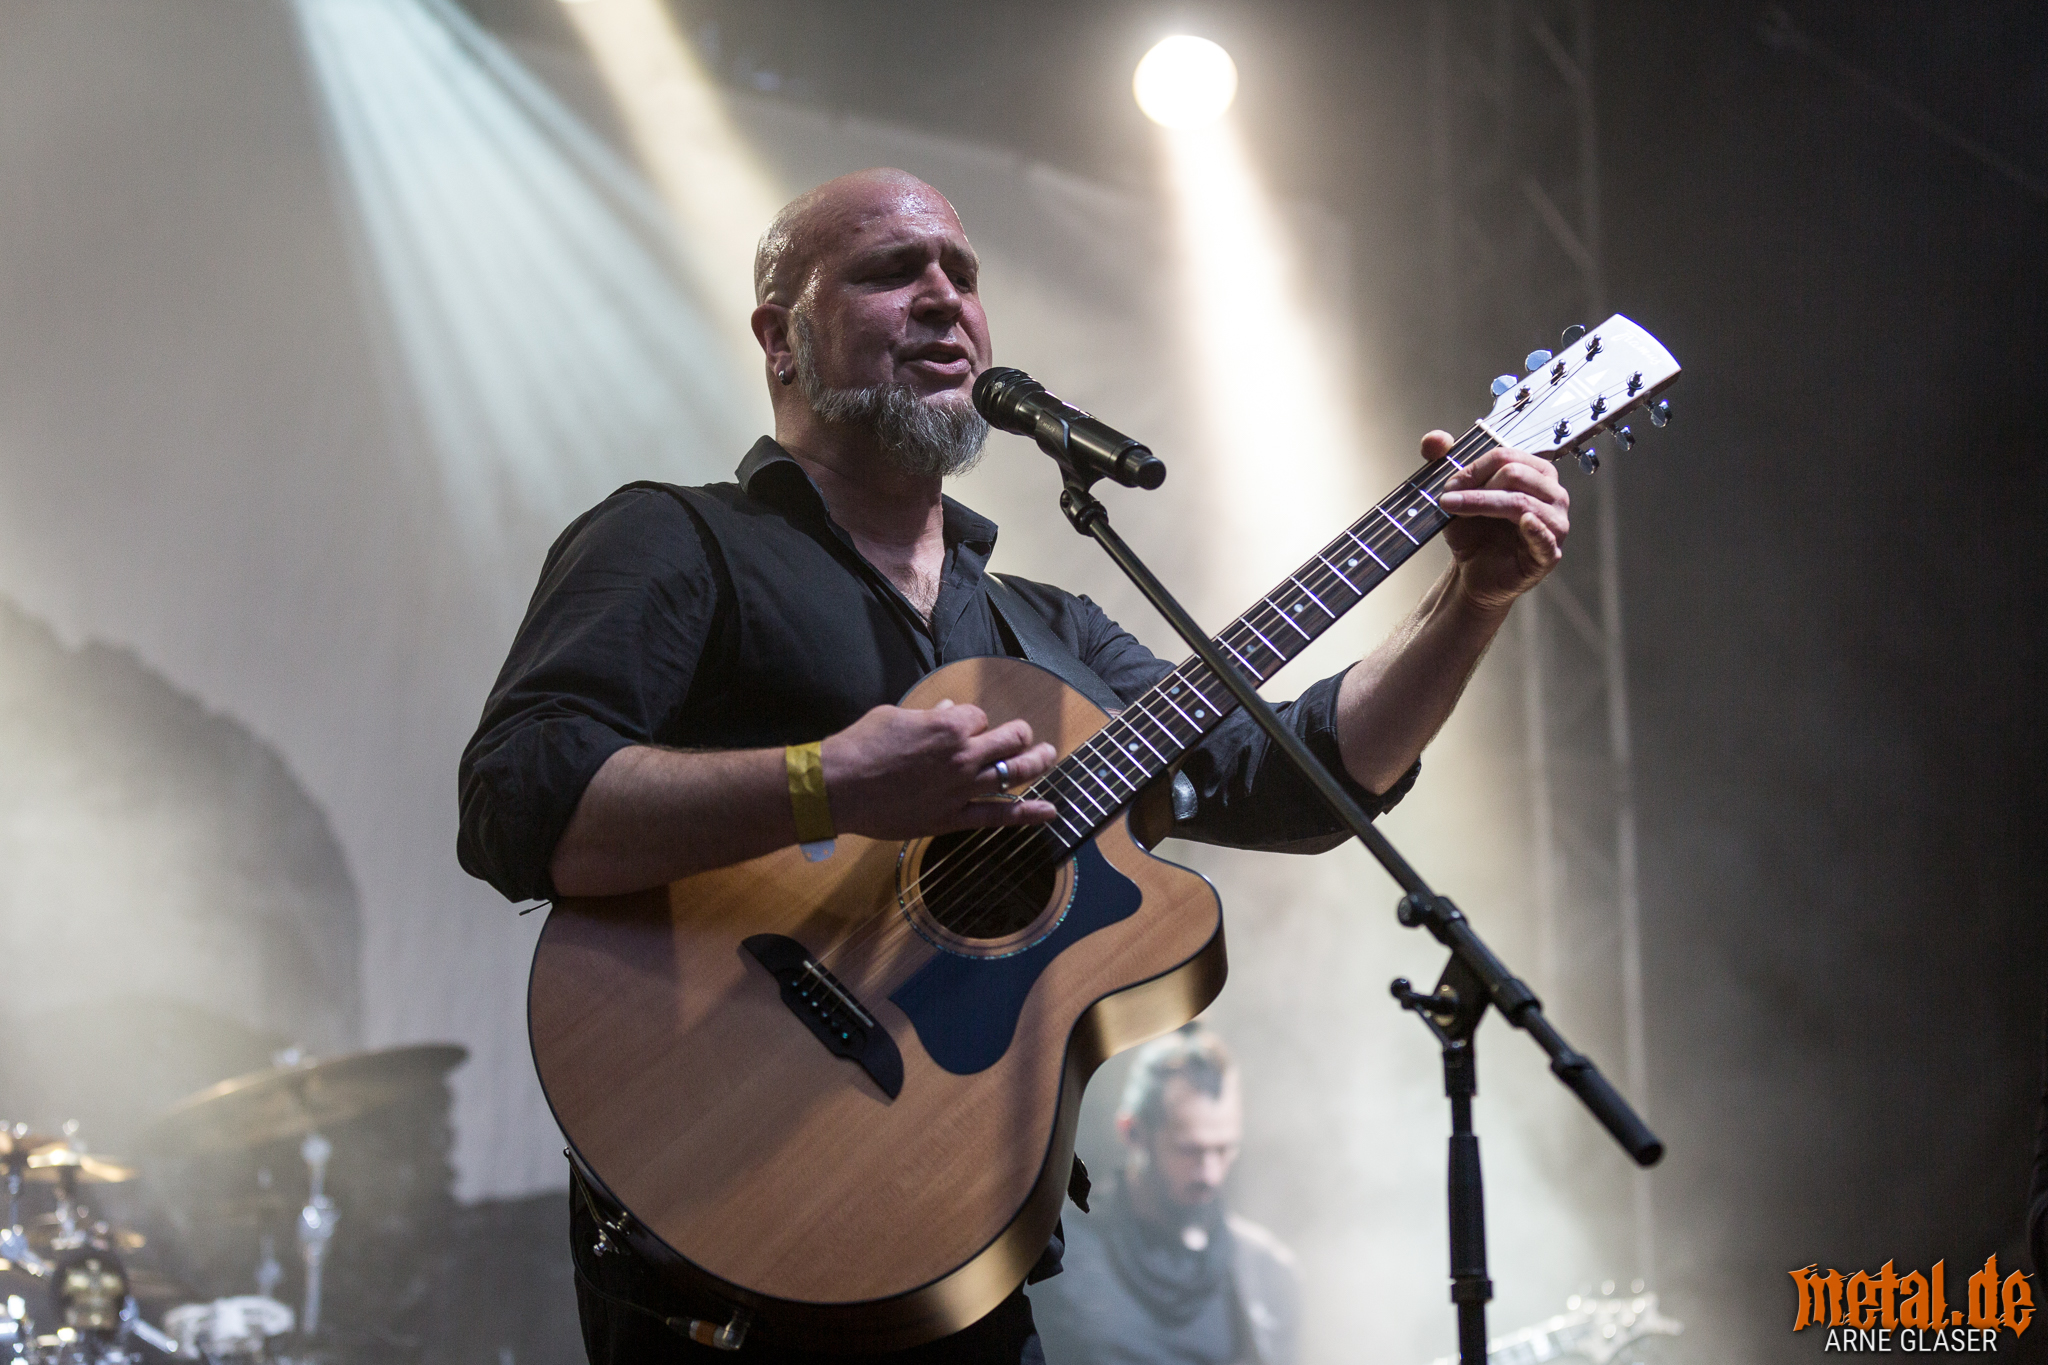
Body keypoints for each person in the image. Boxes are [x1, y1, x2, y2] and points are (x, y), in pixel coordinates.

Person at [457, 167, 1570, 1365]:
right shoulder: (675, 541)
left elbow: (1290, 781)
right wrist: (824, 782)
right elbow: (519, 798)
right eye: (891, 272)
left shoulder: (1050, 635)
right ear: (780, 339)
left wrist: (1470, 600)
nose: (944, 297)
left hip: (961, 1252)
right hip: (718, 1236)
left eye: (964, 275)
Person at [1028, 1025, 1298, 1365]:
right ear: (1133, 1132)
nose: (1210, 1173)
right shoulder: (1059, 1260)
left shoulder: (1266, 1275)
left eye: (1224, 1149)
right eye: (1189, 1150)